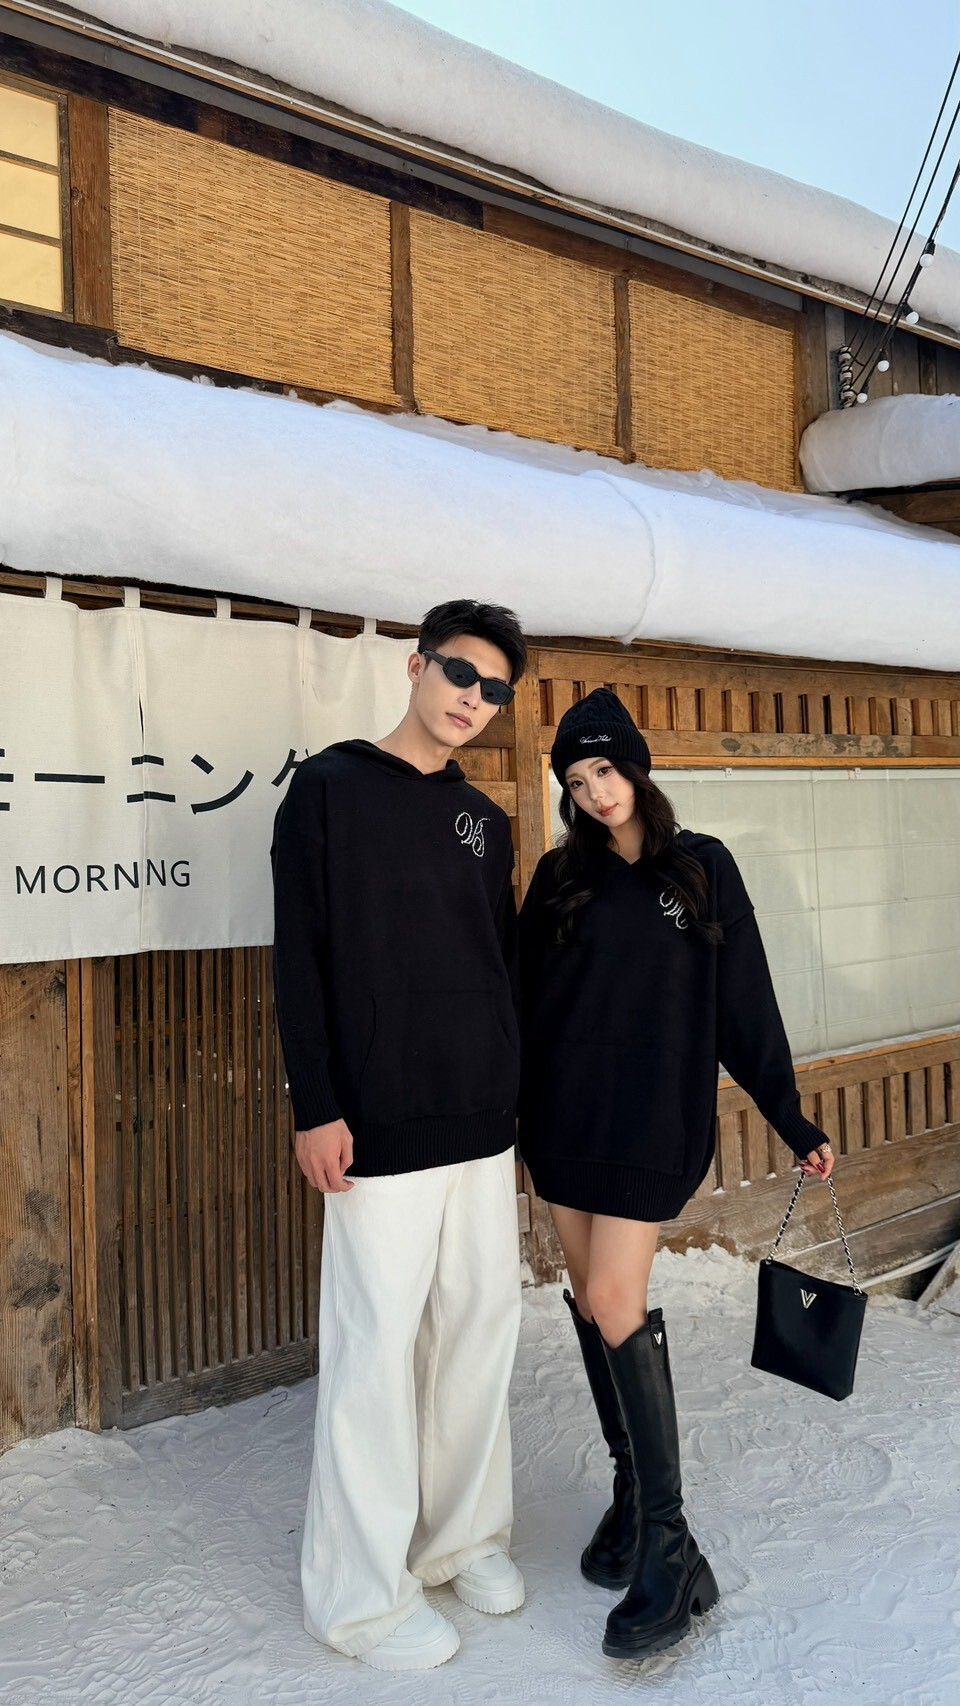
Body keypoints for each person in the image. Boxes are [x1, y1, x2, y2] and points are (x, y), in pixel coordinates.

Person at [518, 687, 836, 1662]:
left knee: (617, 1298)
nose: (595, 791)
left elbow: (746, 1003)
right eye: (578, 779)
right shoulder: (559, 876)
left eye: (606, 769)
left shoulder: (701, 867)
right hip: (563, 1119)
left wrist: (789, 1114)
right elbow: (521, 1000)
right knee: (590, 1299)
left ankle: (671, 1546)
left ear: (637, 767)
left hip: (651, 1121)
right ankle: (631, 1490)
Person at [271, 600, 527, 1672]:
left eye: (495, 688)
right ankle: (359, 1597)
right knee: (374, 1350)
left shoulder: (485, 819)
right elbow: (299, 955)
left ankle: (460, 1537)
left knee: (479, 1327)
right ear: (416, 666)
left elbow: (499, 967)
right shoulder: (328, 789)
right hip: (375, 1118)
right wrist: (315, 1104)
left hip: (481, 1117)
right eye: (461, 672)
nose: (474, 698)